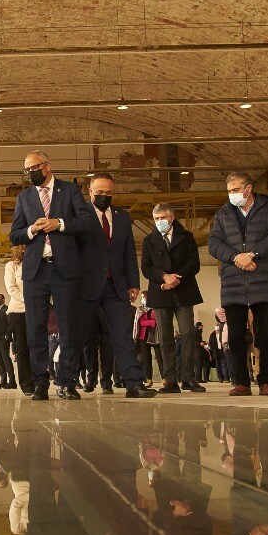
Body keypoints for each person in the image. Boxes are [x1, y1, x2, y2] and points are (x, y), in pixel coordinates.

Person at [8, 151, 96, 400]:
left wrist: (60, 223)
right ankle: (39, 382)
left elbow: (86, 222)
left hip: (65, 267)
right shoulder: (24, 198)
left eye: (33, 168)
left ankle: (67, 381)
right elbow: (14, 234)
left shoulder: (69, 191)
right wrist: (31, 229)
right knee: (35, 328)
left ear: (47, 166)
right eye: (26, 170)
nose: (30, 173)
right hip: (35, 269)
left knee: (68, 326)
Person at [74, 171, 158, 400]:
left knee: (122, 336)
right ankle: (68, 382)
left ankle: (134, 383)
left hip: (116, 286)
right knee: (78, 335)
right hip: (86, 286)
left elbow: (129, 251)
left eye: (108, 193)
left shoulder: (122, 216)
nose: (103, 196)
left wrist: (133, 282)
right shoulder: (79, 214)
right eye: (99, 192)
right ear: (90, 191)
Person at [207, 171, 268, 396]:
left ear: (248, 188)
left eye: (236, 190)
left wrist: (253, 254)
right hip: (233, 282)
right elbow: (214, 243)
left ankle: (266, 381)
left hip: (263, 279)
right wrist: (237, 258)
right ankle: (240, 381)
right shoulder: (223, 214)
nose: (233, 195)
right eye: (230, 191)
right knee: (234, 336)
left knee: (266, 334)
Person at [142, 203, 205, 394]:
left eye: (163, 218)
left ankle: (188, 378)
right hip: (160, 291)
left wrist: (176, 277)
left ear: (172, 217)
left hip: (183, 289)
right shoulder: (148, 240)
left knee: (187, 333)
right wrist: (163, 277)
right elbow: (146, 267)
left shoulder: (187, 237)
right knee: (166, 338)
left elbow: (194, 263)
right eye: (157, 219)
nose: (160, 222)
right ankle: (170, 380)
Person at [2, 245, 33, 394]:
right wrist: (31, 301)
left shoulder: (39, 264)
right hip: (18, 311)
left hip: (36, 311)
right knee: (22, 348)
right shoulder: (12, 266)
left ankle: (39, 379)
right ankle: (26, 384)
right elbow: (11, 288)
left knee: (37, 346)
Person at [133, 294, 158, 384]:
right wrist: (151, 322)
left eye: (143, 297)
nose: (142, 299)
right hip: (143, 336)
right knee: (146, 358)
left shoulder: (155, 308)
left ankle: (164, 378)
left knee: (159, 357)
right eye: (141, 297)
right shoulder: (140, 309)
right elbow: (140, 322)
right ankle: (148, 379)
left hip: (155, 336)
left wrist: (150, 322)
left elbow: (157, 320)